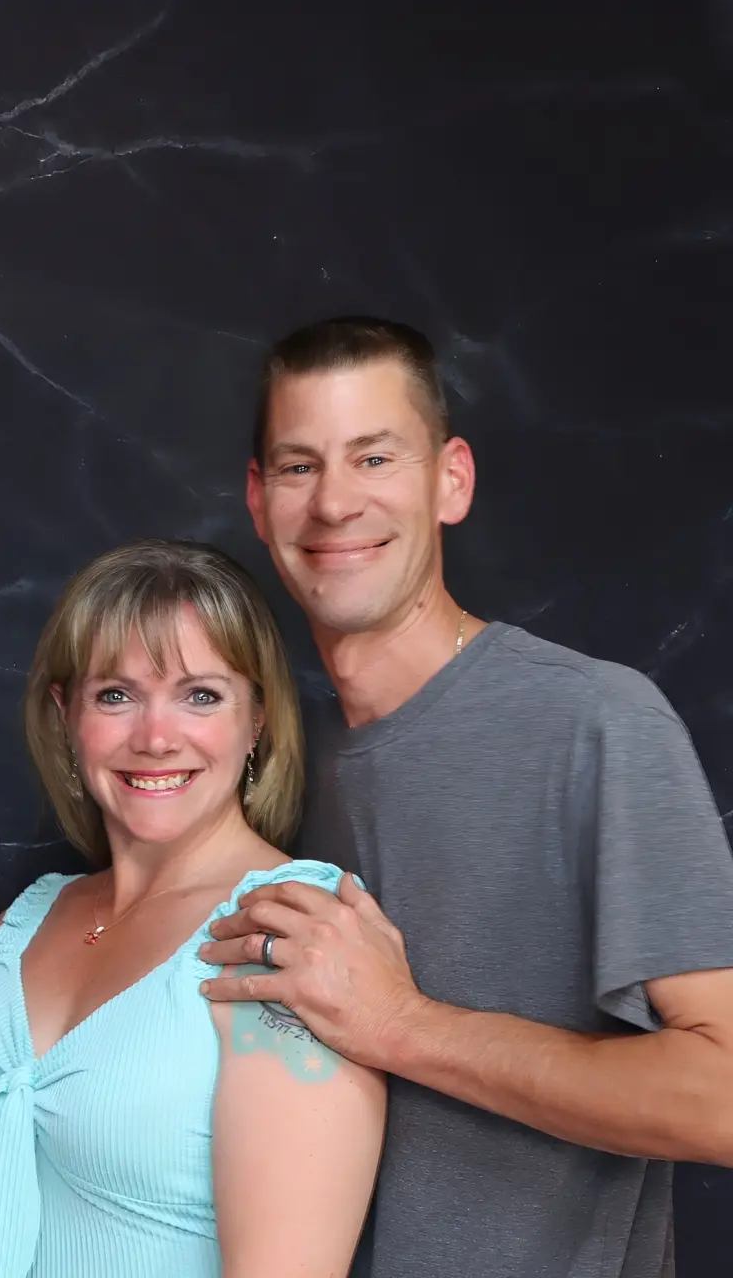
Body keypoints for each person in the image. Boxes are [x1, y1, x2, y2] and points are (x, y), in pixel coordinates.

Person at [199, 315, 733, 1278]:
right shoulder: (269, 767)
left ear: (451, 480)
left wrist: (403, 1027)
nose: (334, 505)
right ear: (257, 497)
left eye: (374, 457)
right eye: (297, 466)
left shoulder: (598, 723)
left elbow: (726, 1096)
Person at [0, 540, 385, 1278]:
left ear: (256, 720)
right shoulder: (21, 926)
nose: (156, 738)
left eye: (201, 695)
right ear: (67, 716)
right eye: (115, 695)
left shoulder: (287, 933)